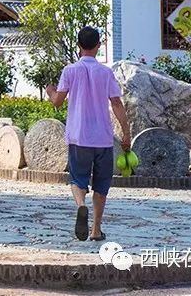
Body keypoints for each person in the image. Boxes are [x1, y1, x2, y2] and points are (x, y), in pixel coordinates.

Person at [46, 26, 130, 242]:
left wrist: (50, 91)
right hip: (102, 137)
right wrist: (127, 133)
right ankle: (95, 230)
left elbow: (57, 102)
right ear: (98, 46)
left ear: (78, 46)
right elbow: (117, 103)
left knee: (77, 179)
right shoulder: (106, 72)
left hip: (78, 136)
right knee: (102, 185)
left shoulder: (70, 70)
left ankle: (81, 205)